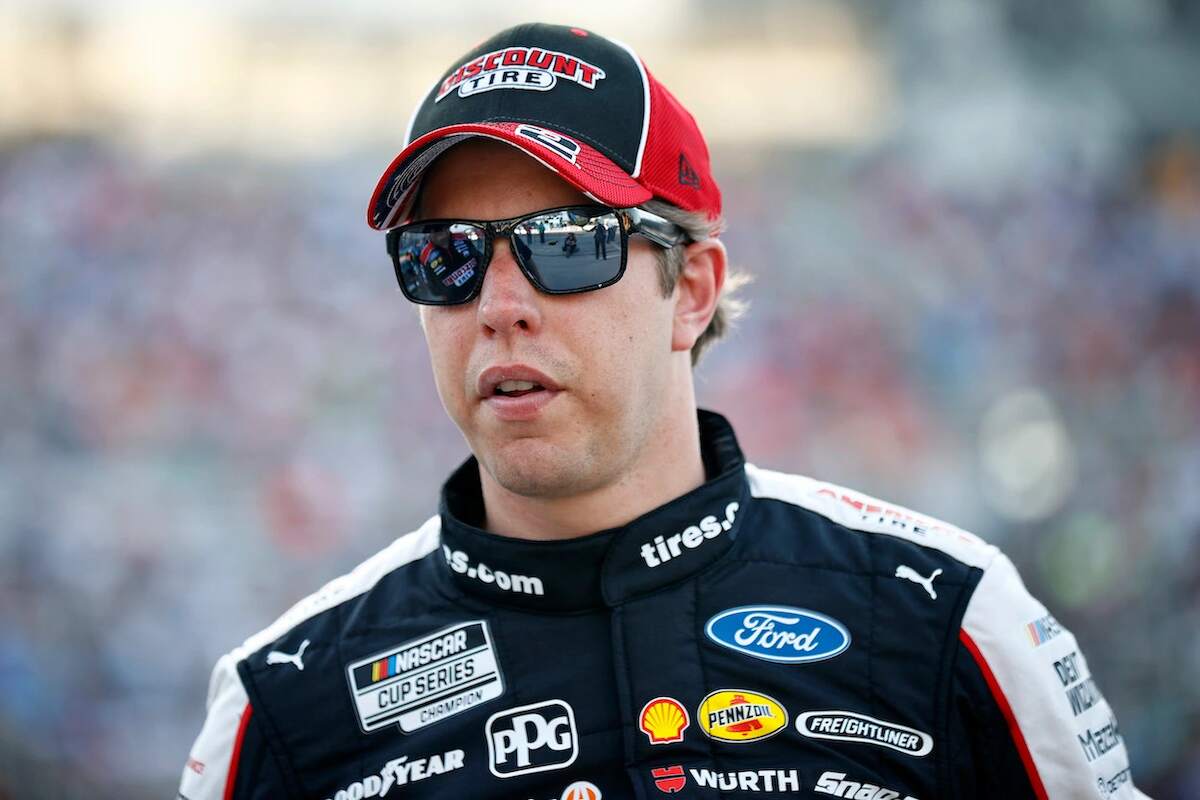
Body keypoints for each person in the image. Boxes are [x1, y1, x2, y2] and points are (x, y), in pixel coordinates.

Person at [178, 23, 1151, 800]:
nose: (498, 302)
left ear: (692, 289)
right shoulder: (282, 701)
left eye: (567, 242)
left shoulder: (950, 617)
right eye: (446, 254)